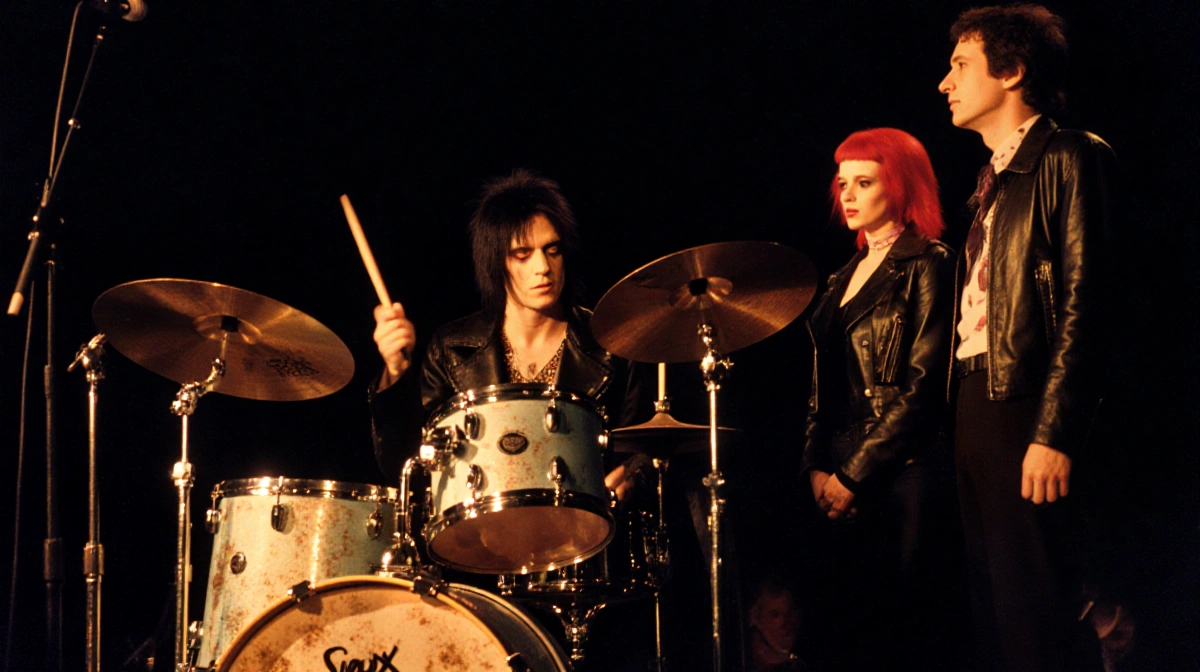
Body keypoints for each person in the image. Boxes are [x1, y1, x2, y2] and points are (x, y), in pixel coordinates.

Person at [367, 169, 712, 671]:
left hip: (589, 558)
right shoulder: (452, 347)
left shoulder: (613, 344)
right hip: (482, 561)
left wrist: (631, 474)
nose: (542, 268)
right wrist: (394, 371)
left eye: (551, 250)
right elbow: (402, 464)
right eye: (522, 254)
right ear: (496, 262)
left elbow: (643, 441)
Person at [937, 5, 1118, 670]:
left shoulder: (1067, 155)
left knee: (1034, 612)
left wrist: (1055, 431)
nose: (945, 82)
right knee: (994, 613)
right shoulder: (992, 183)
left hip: (1022, 402)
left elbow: (1085, 302)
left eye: (960, 64)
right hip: (976, 400)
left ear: (1011, 70)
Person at [800, 128, 963, 671]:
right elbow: (820, 392)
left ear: (898, 186)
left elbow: (924, 388)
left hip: (904, 472)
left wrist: (854, 474)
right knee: (857, 635)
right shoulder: (838, 279)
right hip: (844, 473)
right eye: (842, 182)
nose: (846, 194)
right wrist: (817, 467)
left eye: (863, 182)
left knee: (910, 632)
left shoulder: (928, 262)